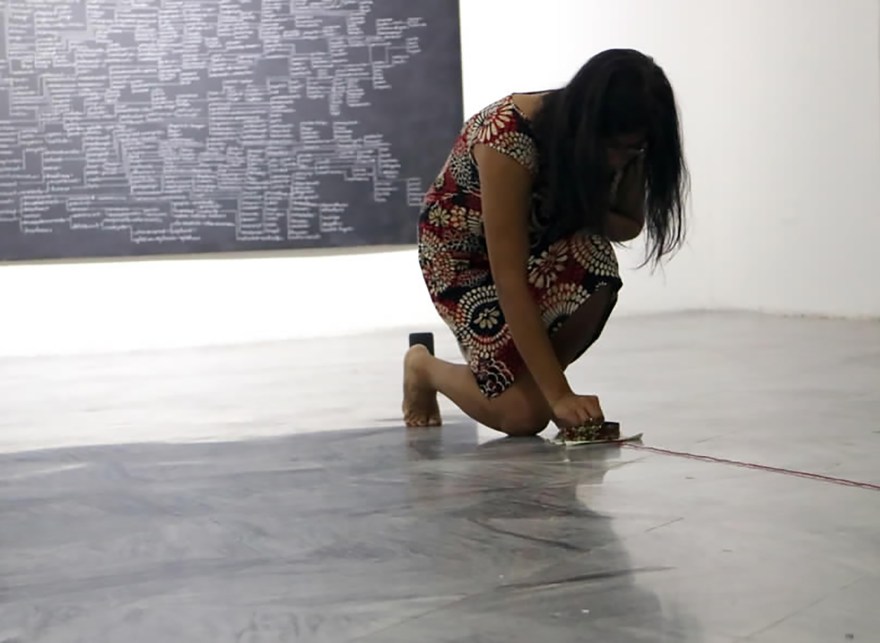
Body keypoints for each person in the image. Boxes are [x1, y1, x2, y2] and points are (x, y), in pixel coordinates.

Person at [402, 48, 689, 437]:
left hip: (541, 243)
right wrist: (560, 395)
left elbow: (628, 224)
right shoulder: (506, 137)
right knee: (523, 417)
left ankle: (534, 389)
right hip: (464, 256)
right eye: (611, 147)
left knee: (595, 260)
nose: (617, 161)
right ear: (588, 126)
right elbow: (508, 277)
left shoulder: (626, 144)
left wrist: (587, 194)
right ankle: (422, 366)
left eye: (632, 149)